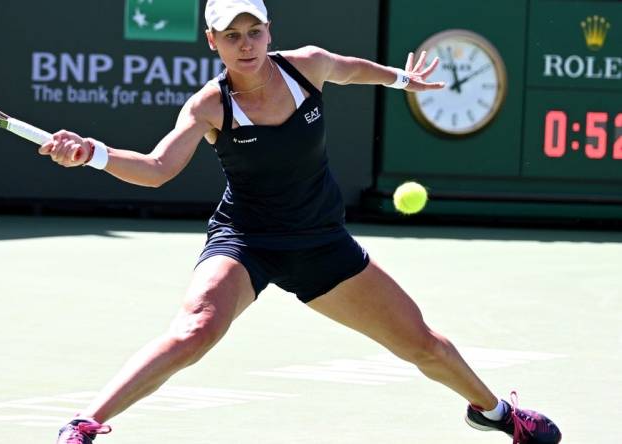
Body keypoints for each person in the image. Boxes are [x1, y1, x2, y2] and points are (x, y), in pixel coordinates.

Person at [39, 1, 562, 442]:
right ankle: (86, 423)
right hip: (246, 240)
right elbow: (157, 170)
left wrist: (402, 80)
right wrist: (94, 153)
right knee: (196, 329)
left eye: (254, 32)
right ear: (212, 42)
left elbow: (353, 69)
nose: (245, 44)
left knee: (422, 343)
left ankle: (496, 414)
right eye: (231, 36)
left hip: (320, 241)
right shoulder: (209, 106)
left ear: (269, 32)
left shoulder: (306, 66)